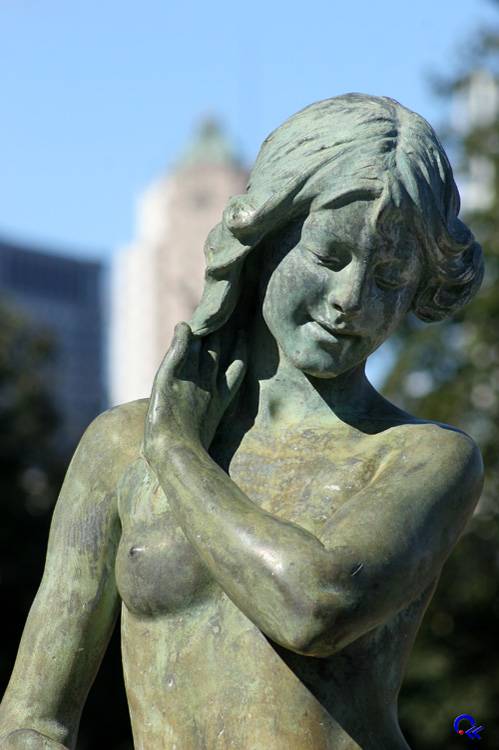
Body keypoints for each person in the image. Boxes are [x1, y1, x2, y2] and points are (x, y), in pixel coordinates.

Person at [0, 94, 485, 750]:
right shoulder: (117, 447)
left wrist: (176, 451)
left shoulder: (422, 457)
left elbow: (315, 608)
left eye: (390, 275)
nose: (350, 298)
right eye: (329, 256)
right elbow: (34, 716)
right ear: (263, 240)